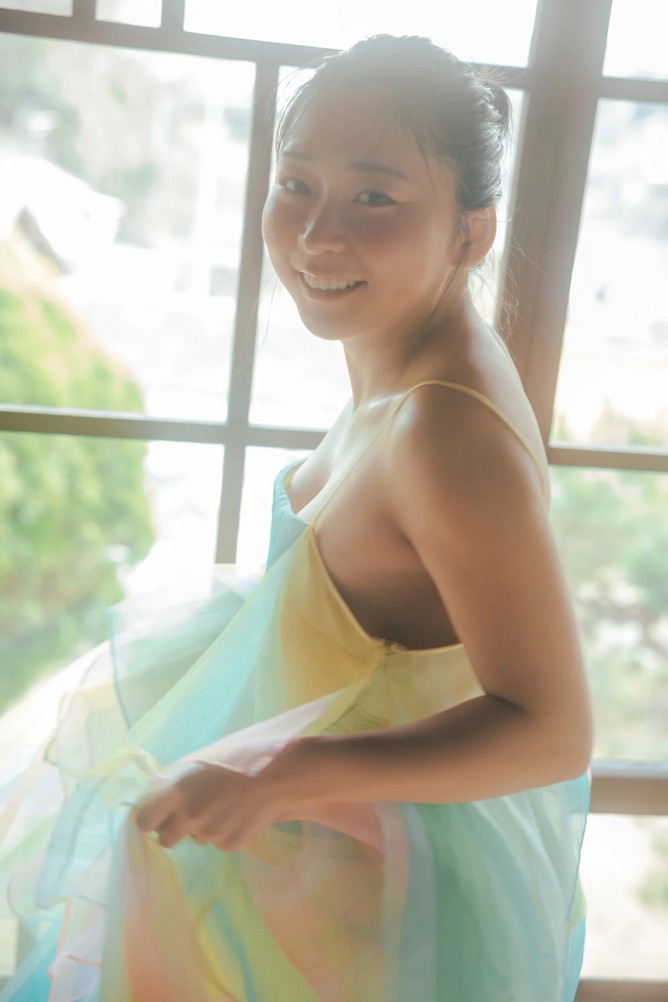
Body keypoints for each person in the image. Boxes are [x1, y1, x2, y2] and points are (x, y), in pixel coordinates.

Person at [1, 34, 591, 1002]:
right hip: (311, 857)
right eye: (296, 183)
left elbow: (551, 732)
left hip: (373, 906)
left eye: (375, 197)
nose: (318, 233)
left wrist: (280, 773)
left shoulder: (445, 429)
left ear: (471, 233)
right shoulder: (398, 356)